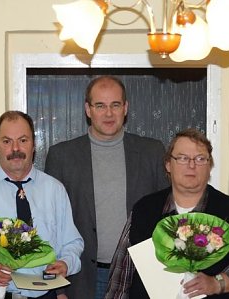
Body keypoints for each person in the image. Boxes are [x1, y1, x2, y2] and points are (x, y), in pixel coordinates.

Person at [104, 128, 229, 299]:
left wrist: (218, 283)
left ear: (210, 165)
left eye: (200, 159)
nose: (191, 165)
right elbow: (120, 276)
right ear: (168, 164)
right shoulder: (144, 209)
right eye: (182, 158)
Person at [44, 75, 169, 299]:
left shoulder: (152, 152)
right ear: (88, 109)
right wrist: (58, 288)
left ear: (125, 108)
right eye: (100, 106)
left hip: (139, 277)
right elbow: (49, 225)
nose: (108, 113)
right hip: (81, 279)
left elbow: (168, 216)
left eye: (115, 105)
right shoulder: (61, 156)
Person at [0, 111, 84, 299]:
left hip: (45, 294)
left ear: (34, 144)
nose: (15, 148)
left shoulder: (55, 190)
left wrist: (66, 263)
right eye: (6, 141)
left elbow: (72, 242)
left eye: (23, 140)